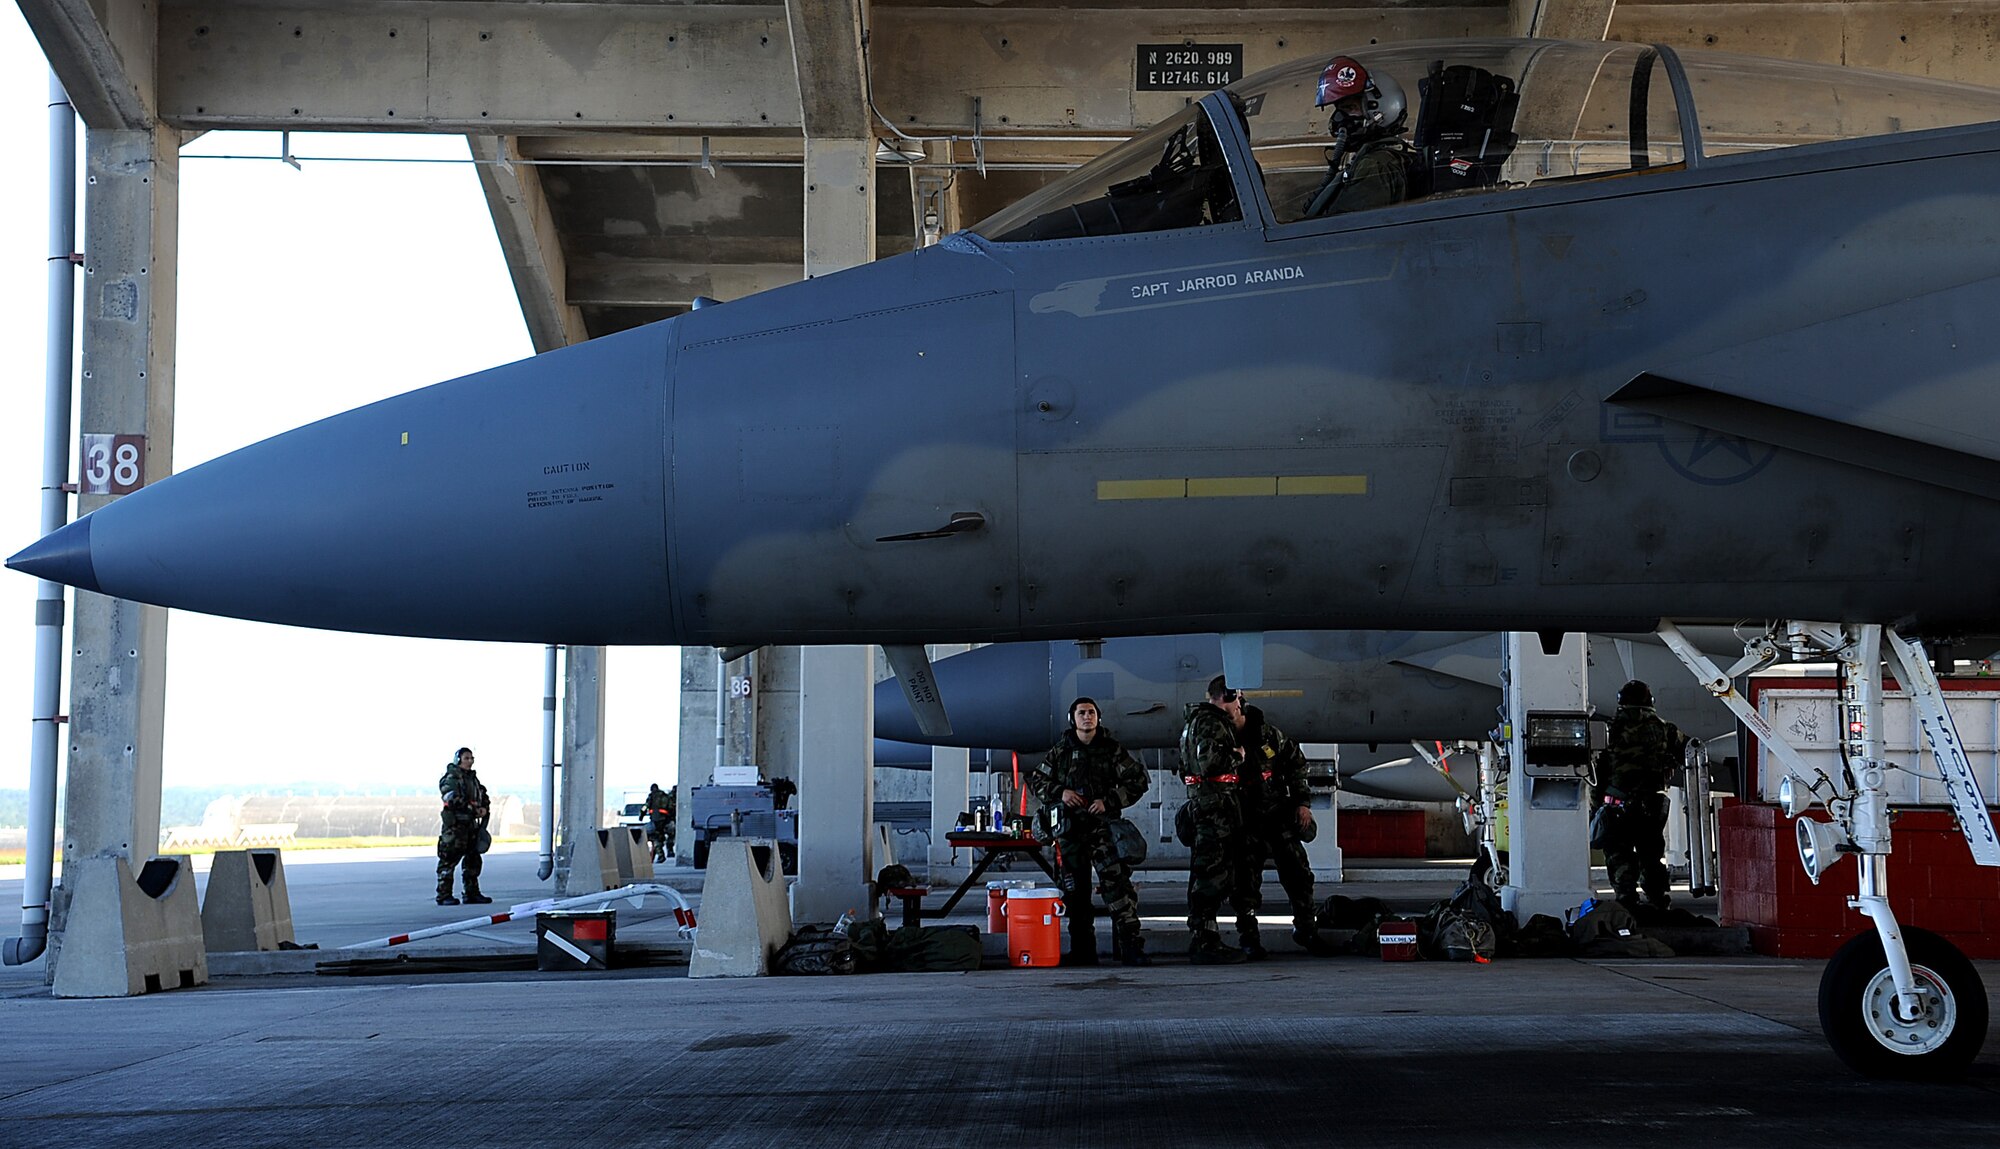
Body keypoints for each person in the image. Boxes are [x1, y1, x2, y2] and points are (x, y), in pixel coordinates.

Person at [1028, 697, 1152, 967]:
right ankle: (1083, 950)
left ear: (1098, 717)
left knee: (1118, 889)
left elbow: (1138, 780)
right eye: (1082, 713)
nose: (1087, 717)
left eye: (1092, 712)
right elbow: (1038, 780)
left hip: (1103, 831)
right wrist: (1062, 792)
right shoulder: (1061, 751)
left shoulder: (1111, 749)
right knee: (1075, 894)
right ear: (1073, 719)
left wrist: (1110, 800)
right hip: (1071, 833)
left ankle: (1131, 947)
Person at [1228, 696, 1338, 958]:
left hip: (1277, 815)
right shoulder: (1220, 737)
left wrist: (1302, 803)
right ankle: (1249, 938)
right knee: (1244, 884)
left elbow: (1297, 765)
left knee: (1299, 875)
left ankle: (1306, 930)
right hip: (1243, 819)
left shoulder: (1268, 735)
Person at [1596, 680, 1689, 910]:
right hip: (1651, 804)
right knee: (1651, 854)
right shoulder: (1666, 729)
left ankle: (1626, 900)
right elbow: (1688, 751)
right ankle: (1658, 900)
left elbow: (1598, 767)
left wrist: (1596, 803)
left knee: (1619, 854)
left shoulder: (1610, 728)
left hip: (1617, 804)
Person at [1179, 676, 1249, 964]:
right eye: (1238, 699)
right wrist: (1237, 755)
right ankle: (1205, 940)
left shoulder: (1196, 722)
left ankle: (1205, 936)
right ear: (1227, 695)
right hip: (1214, 809)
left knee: (1208, 871)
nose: (1240, 705)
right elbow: (1208, 762)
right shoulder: (1210, 722)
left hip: (1209, 805)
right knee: (1211, 874)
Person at [1302, 55, 1415, 218]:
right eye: (1340, 110)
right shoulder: (1377, 157)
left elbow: (1344, 229)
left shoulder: (1373, 165)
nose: (1340, 119)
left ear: (1381, 110)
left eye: (1350, 107)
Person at [436, 747, 492, 906]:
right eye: (466, 758)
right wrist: (473, 809)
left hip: (471, 826)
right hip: (455, 826)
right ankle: (443, 894)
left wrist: (484, 808)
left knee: (473, 860)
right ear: (458, 760)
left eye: (471, 758)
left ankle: (471, 893)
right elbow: (452, 799)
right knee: (448, 859)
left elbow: (483, 795)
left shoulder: (472, 779)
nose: (470, 761)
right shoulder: (451, 779)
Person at [644, 782, 676, 863]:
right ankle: (669, 850)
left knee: (656, 838)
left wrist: (641, 815)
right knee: (668, 835)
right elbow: (671, 807)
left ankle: (661, 855)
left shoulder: (651, 796)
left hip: (656, 820)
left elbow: (645, 807)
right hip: (666, 820)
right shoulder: (665, 796)